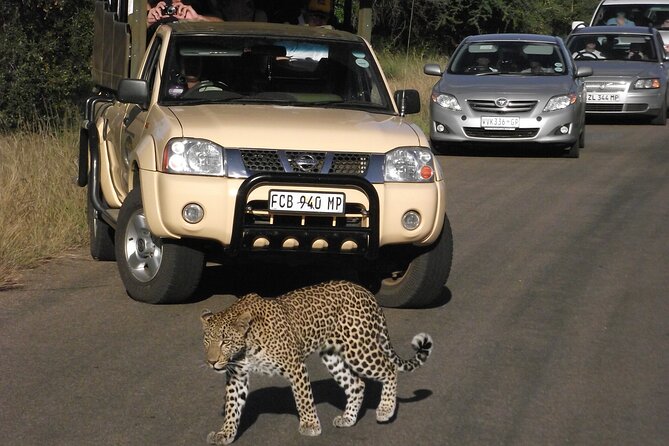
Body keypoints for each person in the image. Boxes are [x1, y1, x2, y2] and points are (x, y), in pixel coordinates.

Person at [147, 0, 222, 26]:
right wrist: (147, 22)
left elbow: (222, 24)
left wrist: (199, 18)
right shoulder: (150, 3)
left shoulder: (200, 3)